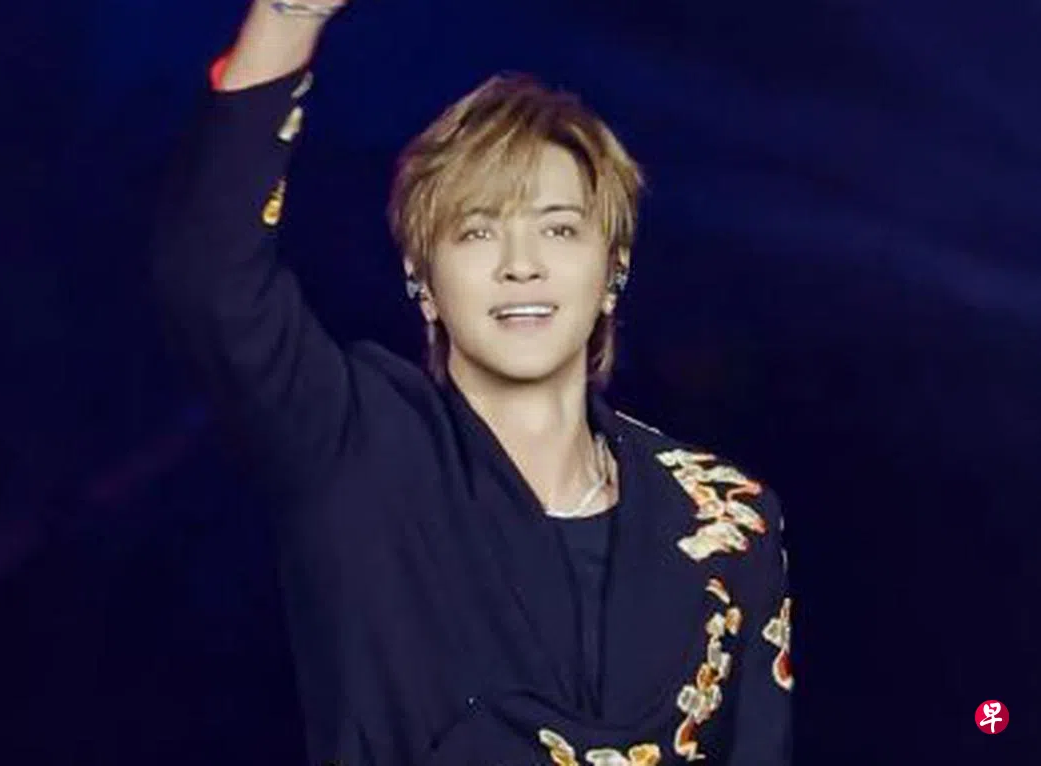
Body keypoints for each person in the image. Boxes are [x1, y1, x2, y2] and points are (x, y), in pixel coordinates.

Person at [152, 1, 792, 763]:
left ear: (612, 268)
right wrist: (291, 17)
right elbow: (211, 279)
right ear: (422, 279)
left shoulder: (726, 514)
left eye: (559, 228)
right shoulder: (360, 446)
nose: (521, 265)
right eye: (478, 230)